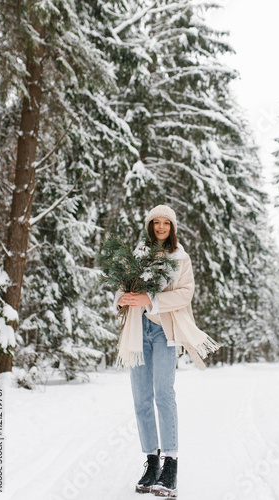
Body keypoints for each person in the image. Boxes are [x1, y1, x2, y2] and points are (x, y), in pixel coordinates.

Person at [113, 205, 221, 498]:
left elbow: (186, 292)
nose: (161, 227)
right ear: (149, 226)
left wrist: (151, 299)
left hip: (164, 331)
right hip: (138, 331)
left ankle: (170, 463)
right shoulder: (137, 256)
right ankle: (151, 463)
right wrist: (122, 299)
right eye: (156, 222)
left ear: (172, 227)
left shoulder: (180, 257)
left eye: (166, 223)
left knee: (163, 394)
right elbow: (123, 289)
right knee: (141, 400)